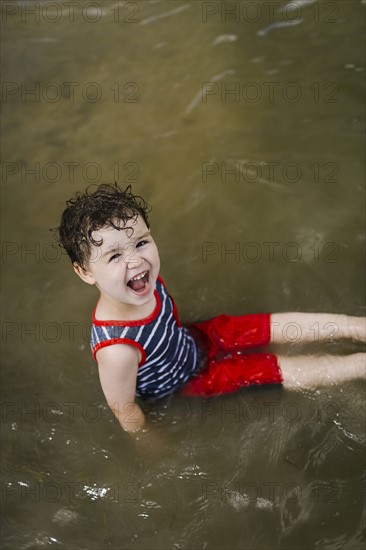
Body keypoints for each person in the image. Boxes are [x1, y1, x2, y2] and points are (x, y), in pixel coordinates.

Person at [54, 183, 365, 436]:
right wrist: (150, 448)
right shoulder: (117, 349)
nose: (135, 261)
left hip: (196, 337)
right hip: (190, 378)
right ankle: (358, 365)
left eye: (140, 243)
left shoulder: (139, 280)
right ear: (85, 272)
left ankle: (356, 327)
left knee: (266, 326)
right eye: (114, 256)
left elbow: (166, 321)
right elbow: (125, 410)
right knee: (269, 368)